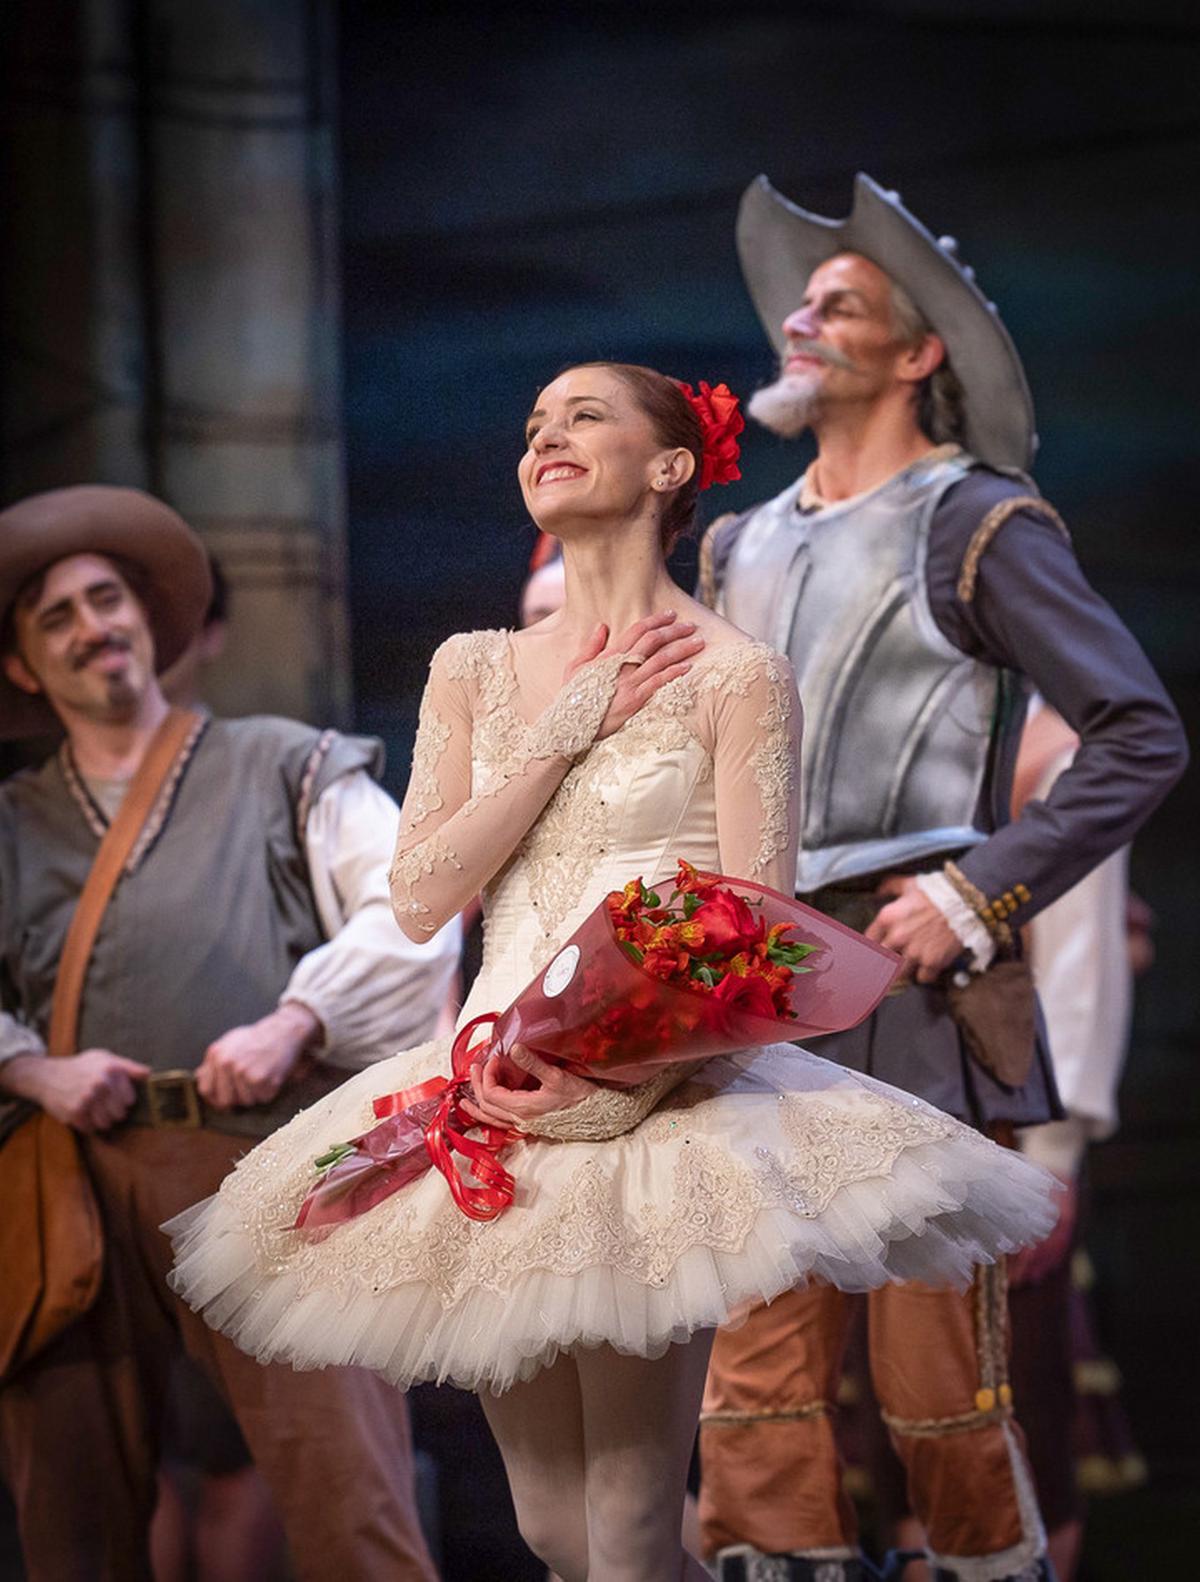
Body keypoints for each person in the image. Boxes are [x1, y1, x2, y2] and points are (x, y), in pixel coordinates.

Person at [167, 361, 1057, 1582]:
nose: (548, 435)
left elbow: (760, 941)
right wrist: (564, 727)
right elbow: (421, 897)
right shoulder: (473, 666)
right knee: (553, 1531)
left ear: (670, 465)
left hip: (657, 1101)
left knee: (632, 1534)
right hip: (488, 1093)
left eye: (585, 416)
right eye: (535, 422)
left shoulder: (736, 673)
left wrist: (618, 1089)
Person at [695, 175, 1188, 1582]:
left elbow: (1138, 730)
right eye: (801, 302)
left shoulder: (976, 522)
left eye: (840, 304)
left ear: (919, 353)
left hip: (913, 985)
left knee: (935, 1382)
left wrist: (978, 893)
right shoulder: (738, 543)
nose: (801, 320)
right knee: (754, 1376)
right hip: (759, 980)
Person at [0, 485, 459, 1581]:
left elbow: (413, 904)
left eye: (106, 599)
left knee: (350, 1498)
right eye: (56, 616)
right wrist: (32, 1069)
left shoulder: (282, 763)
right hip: (69, 1181)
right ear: (22, 666)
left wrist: (299, 1019)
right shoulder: (13, 823)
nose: (91, 626)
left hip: (268, 1164)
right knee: (72, 1525)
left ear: (148, 620)